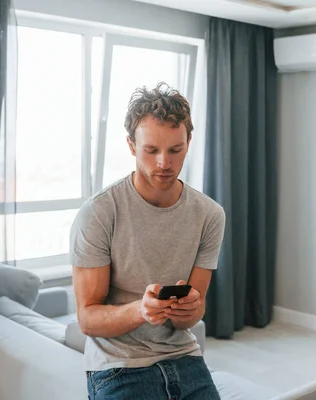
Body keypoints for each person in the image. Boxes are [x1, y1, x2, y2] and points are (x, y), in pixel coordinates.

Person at [70, 82, 226, 400]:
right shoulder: (99, 212)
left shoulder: (210, 214)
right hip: (117, 365)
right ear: (131, 145)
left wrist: (190, 310)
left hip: (184, 356)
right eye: (151, 150)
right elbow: (88, 318)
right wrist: (140, 311)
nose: (163, 164)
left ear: (189, 142)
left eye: (175, 150)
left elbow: (195, 314)